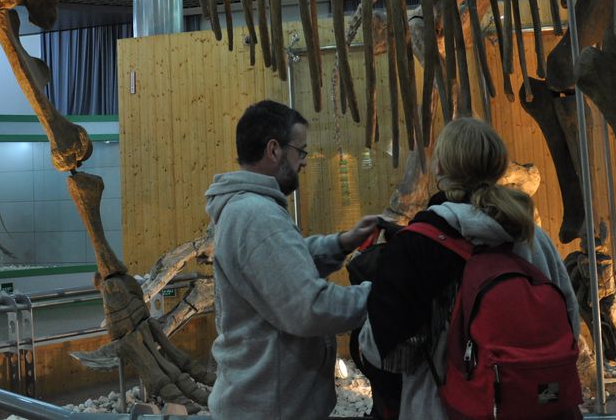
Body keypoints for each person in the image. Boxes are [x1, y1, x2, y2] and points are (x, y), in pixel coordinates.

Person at [358, 117, 580, 419]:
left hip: (446, 408)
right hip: (531, 402)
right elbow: (569, 318)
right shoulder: (530, 234)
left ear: (438, 168)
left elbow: (388, 356)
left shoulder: (416, 245)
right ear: (500, 166)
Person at [205, 99, 381, 420]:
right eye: (300, 151)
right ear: (274, 150)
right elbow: (307, 307)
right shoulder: (255, 215)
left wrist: (342, 243)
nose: (304, 163)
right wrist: (388, 295)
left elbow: (283, 267)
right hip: (270, 408)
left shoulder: (252, 209)